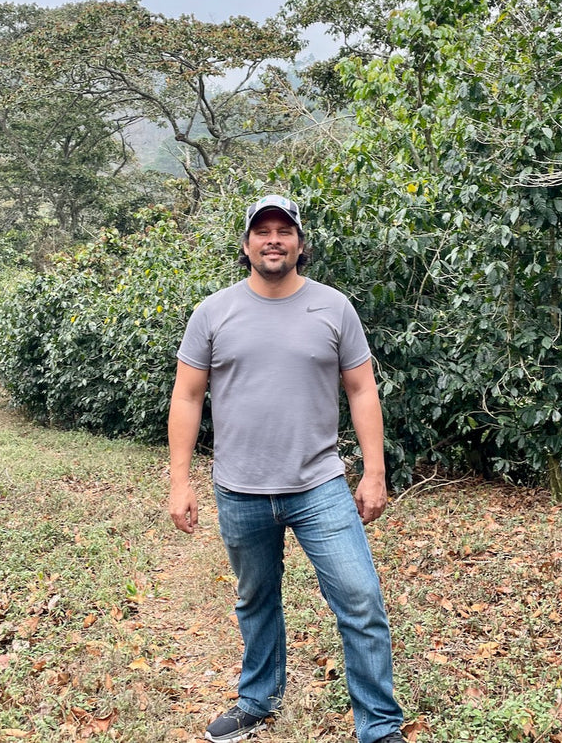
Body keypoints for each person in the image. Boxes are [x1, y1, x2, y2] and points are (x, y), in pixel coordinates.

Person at [168, 194, 405, 743]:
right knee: (255, 598)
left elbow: (362, 389)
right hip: (239, 487)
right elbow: (187, 396)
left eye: (284, 231)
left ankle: (379, 727)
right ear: (246, 243)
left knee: (360, 599)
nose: (273, 240)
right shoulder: (213, 312)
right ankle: (258, 700)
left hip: (319, 484)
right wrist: (180, 481)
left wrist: (374, 471)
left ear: (300, 243)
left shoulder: (334, 308)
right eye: (262, 231)